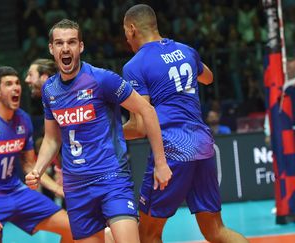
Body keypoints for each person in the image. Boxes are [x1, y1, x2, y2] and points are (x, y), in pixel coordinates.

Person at [25, 19, 171, 243]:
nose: (66, 48)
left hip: (112, 179)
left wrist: (161, 163)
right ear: (51, 49)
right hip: (76, 188)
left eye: (72, 42)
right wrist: (38, 168)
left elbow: (147, 111)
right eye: (60, 43)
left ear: (80, 47)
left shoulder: (102, 79)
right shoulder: (50, 90)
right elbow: (52, 139)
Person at [122, 4, 248, 243]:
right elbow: (208, 78)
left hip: (172, 148)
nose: (126, 39)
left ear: (132, 29)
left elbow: (139, 127)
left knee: (147, 235)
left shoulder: (135, 65)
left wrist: (105, 131)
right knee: (216, 231)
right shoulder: (186, 50)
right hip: (202, 143)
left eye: (125, 33)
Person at [0, 66, 73, 243]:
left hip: (17, 192)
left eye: (17, 83)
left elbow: (29, 166)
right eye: (8, 84)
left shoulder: (24, 120)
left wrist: (59, 190)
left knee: (74, 229)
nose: (16, 87)